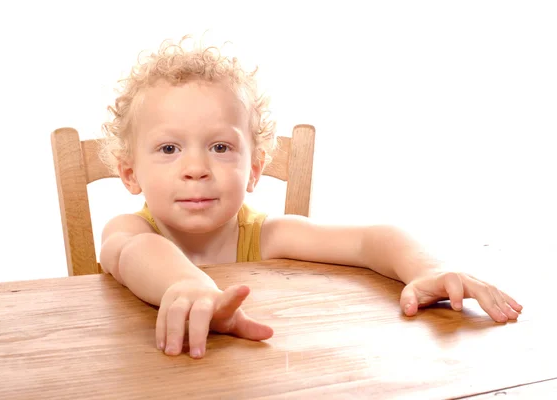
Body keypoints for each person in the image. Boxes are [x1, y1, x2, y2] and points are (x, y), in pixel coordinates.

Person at [98, 35, 522, 359]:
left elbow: (369, 240)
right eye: (169, 149)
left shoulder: (267, 235)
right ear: (130, 174)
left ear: (255, 169)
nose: (196, 168)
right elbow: (133, 252)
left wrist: (429, 269)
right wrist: (187, 283)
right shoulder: (129, 229)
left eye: (221, 147)